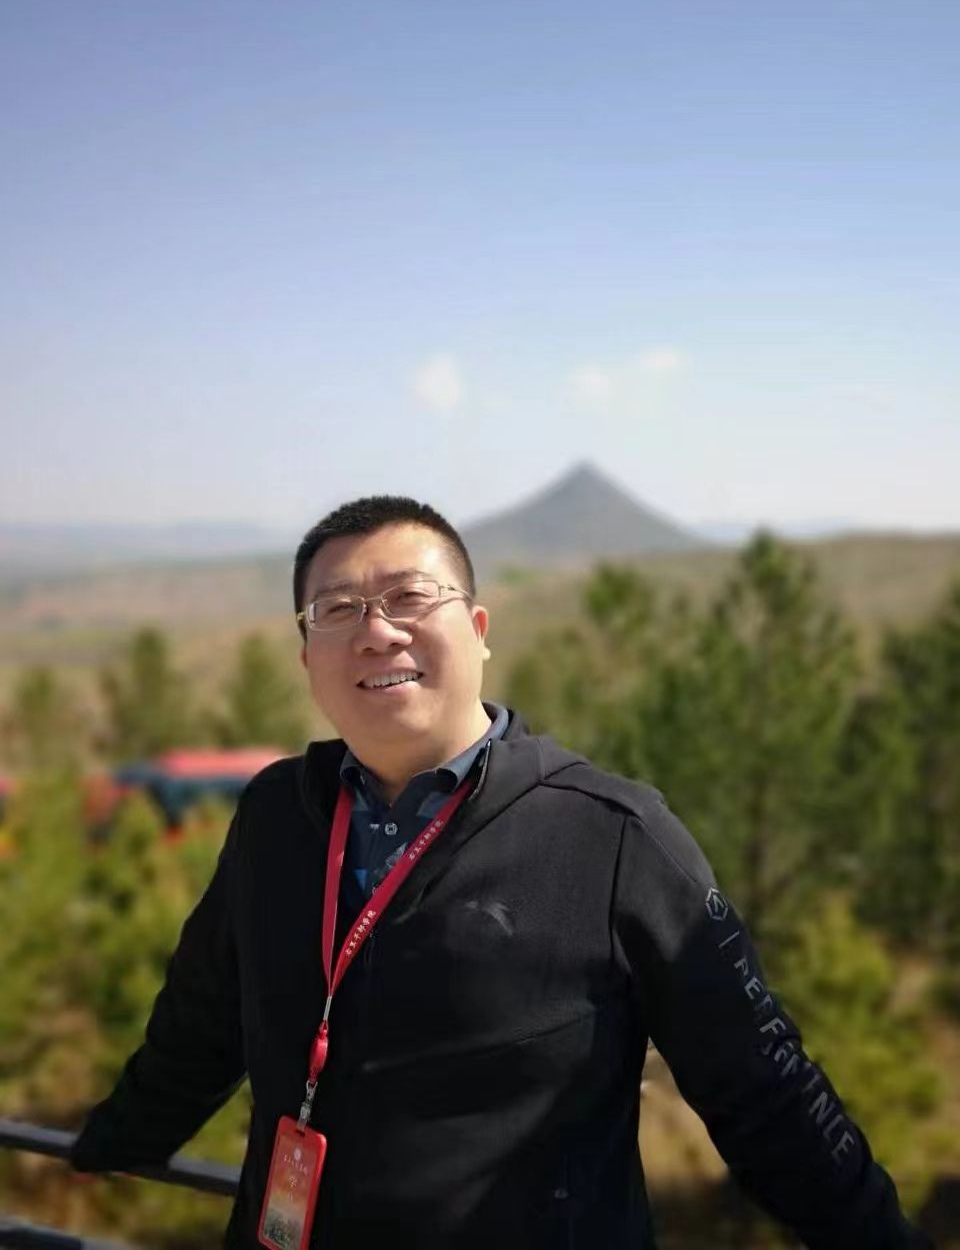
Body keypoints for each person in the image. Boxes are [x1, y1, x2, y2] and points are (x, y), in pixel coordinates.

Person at [72, 495, 933, 1249]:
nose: (377, 630)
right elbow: (201, 1023)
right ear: (306, 657)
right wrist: (103, 1148)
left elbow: (767, 1095)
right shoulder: (276, 815)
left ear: (479, 632)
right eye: (336, 609)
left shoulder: (613, 837)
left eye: (410, 597)